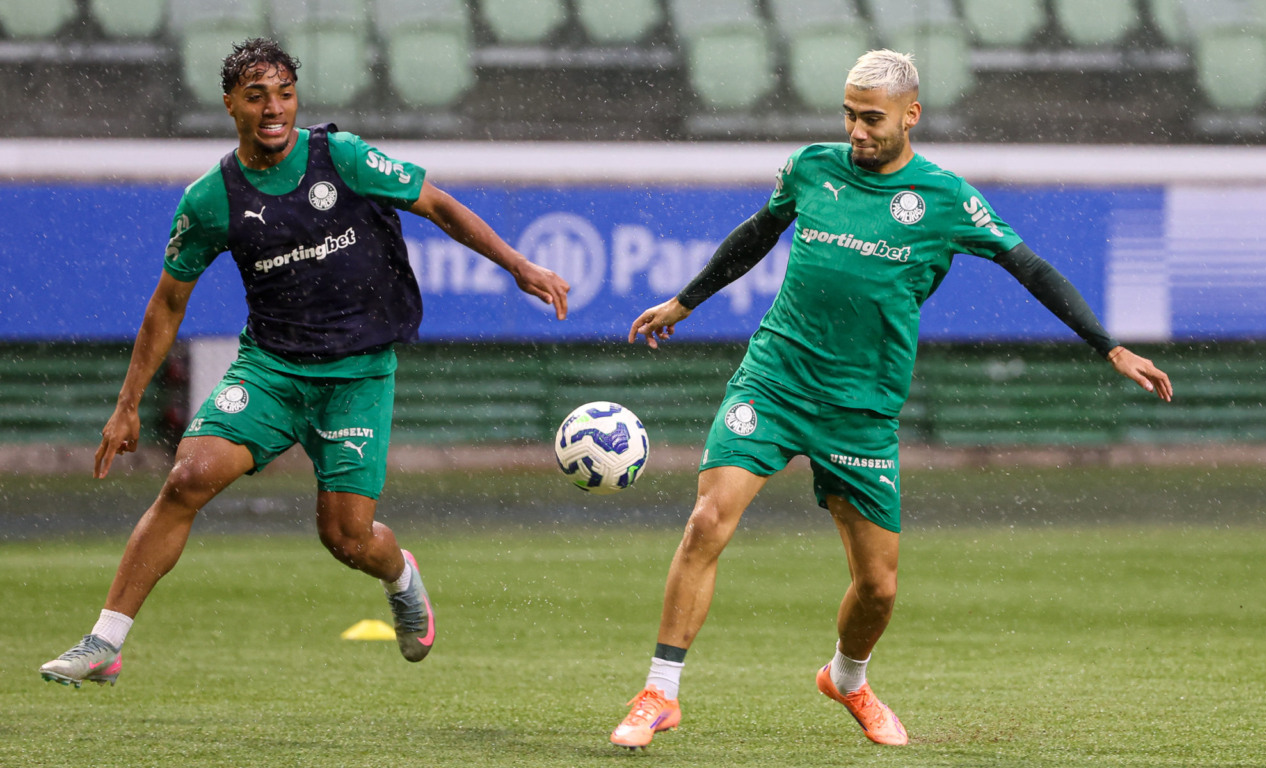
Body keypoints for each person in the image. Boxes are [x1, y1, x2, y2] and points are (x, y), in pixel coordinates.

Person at [610, 49, 1172, 749]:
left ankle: (847, 678)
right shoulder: (811, 168)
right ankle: (660, 693)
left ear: (911, 115)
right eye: (848, 114)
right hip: (775, 379)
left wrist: (1109, 346)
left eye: (871, 118)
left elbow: (1028, 265)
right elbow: (759, 232)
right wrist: (685, 300)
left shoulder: (945, 200)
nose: (856, 131)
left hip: (862, 409)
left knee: (878, 590)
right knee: (706, 521)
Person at [39, 38, 570, 688]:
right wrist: (126, 406)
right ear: (230, 103)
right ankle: (105, 642)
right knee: (187, 478)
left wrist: (519, 265)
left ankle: (401, 576)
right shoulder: (211, 199)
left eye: (284, 94)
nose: (273, 108)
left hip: (357, 376)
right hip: (272, 370)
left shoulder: (341, 158)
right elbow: (166, 305)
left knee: (347, 538)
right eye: (257, 95)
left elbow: (437, 204)